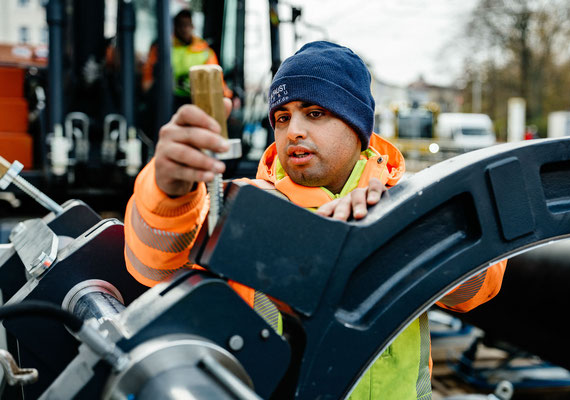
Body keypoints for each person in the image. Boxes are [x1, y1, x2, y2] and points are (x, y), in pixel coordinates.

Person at [124, 41, 506, 399]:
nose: (294, 131)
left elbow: (476, 289)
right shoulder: (239, 205)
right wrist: (168, 190)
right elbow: (152, 267)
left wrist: (399, 233)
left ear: (359, 128)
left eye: (315, 113)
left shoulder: (409, 204)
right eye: (282, 117)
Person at [141, 9, 233, 106]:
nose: (184, 29)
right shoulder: (161, 49)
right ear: (175, 27)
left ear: (192, 26)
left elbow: (217, 79)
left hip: (196, 101)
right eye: (181, 25)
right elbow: (148, 80)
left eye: (187, 25)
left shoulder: (204, 51)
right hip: (169, 101)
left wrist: (228, 95)